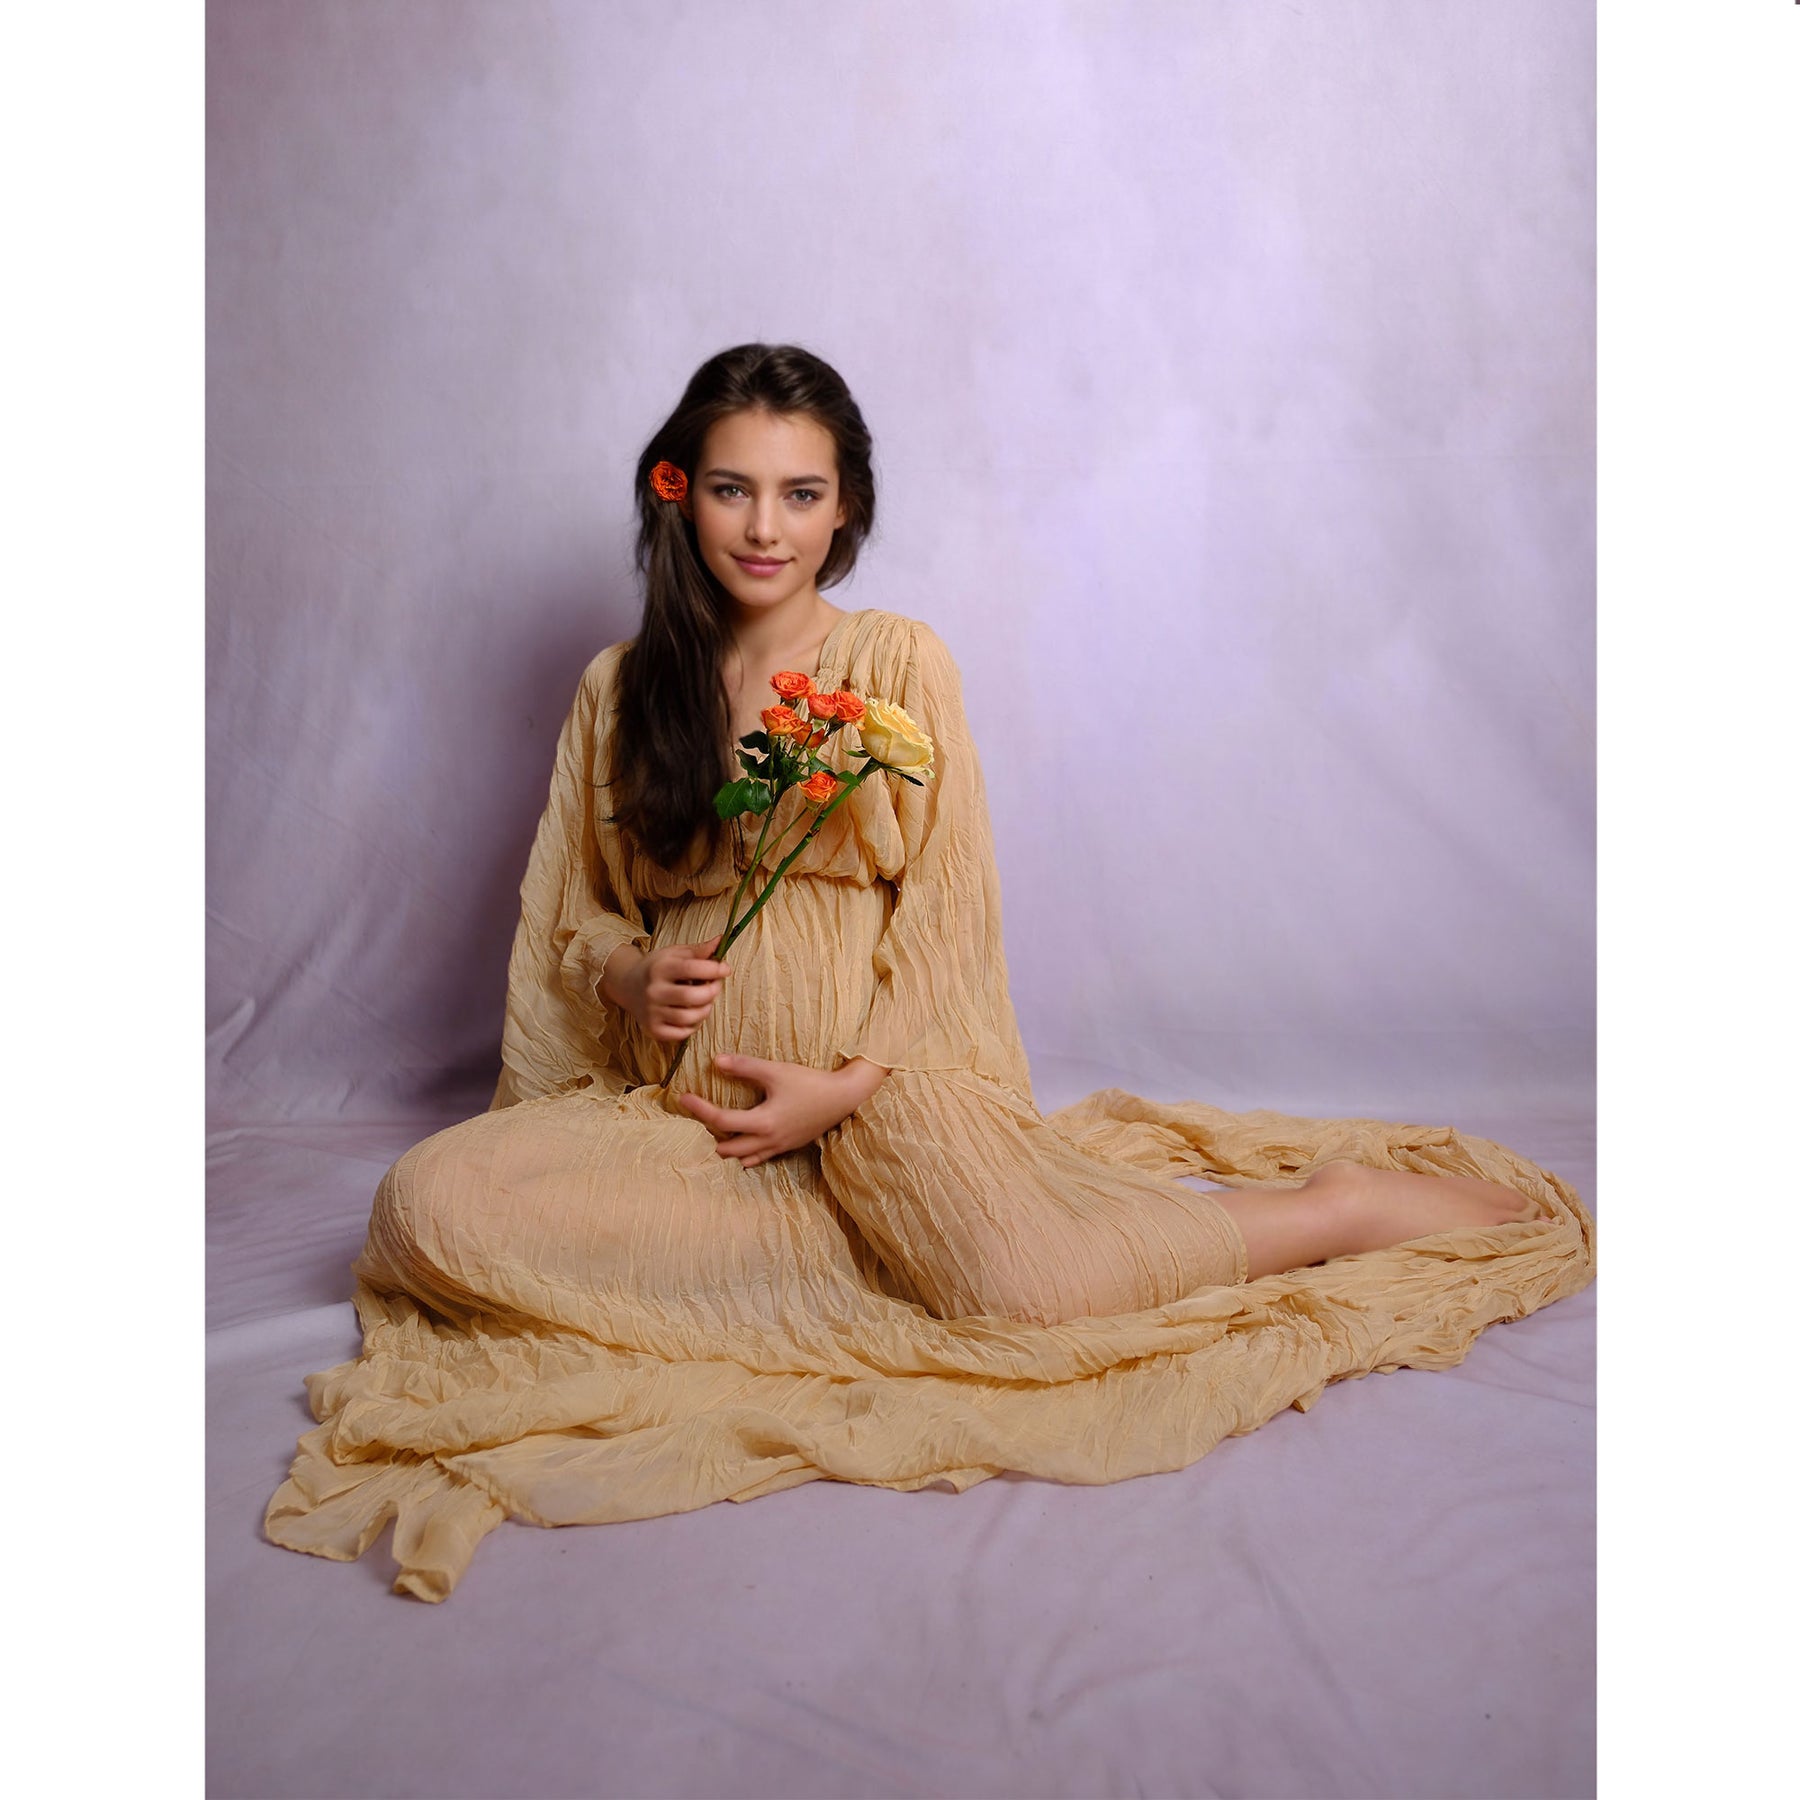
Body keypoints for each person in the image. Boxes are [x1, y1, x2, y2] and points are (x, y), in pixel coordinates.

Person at [265, 343, 1594, 1602]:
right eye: (732, 488)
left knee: (1023, 1298)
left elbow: (950, 910)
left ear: (847, 506)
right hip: (685, 1118)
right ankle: (838, 1258)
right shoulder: (621, 686)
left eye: (802, 493)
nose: (765, 527)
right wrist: (629, 978)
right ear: (678, 492)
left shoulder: (896, 661)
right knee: (431, 1208)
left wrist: (843, 1090)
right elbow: (578, 910)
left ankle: (1326, 1212)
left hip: (878, 1083)